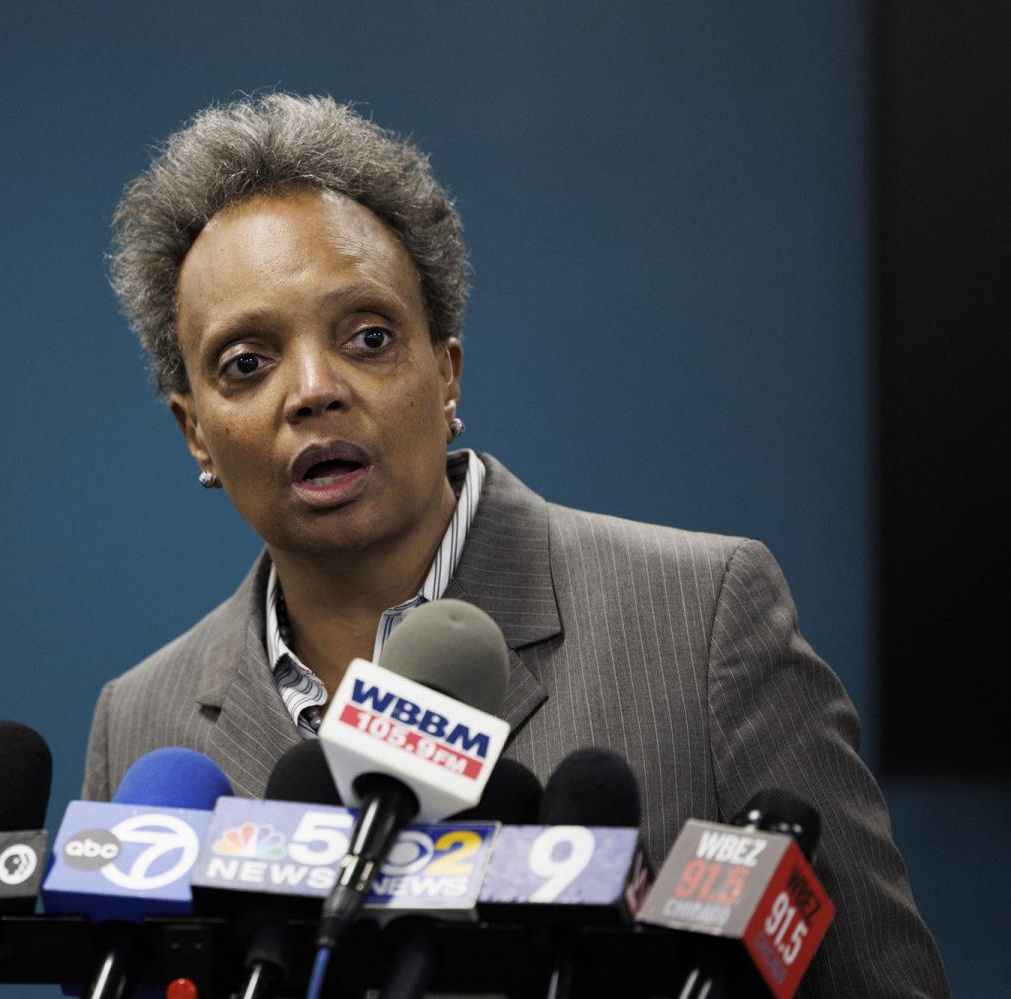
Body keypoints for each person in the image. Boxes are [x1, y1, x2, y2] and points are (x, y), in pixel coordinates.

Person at [81, 93, 948, 996]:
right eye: (247, 363)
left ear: (446, 373)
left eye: (368, 337)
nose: (313, 389)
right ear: (194, 432)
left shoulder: (702, 622)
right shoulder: (143, 728)